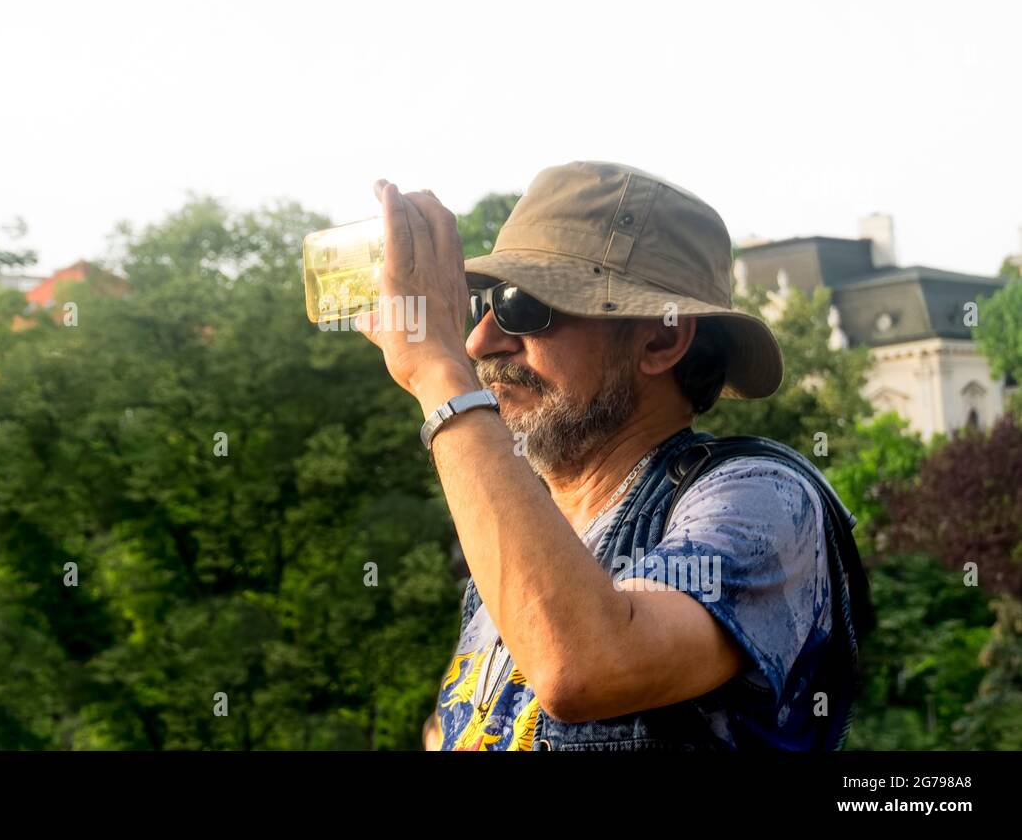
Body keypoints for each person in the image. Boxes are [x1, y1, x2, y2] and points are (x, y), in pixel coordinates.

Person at [354, 160, 871, 751]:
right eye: (481, 306)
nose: (479, 341)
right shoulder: (520, 530)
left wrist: (438, 373)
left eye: (523, 305)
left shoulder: (761, 499)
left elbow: (581, 665)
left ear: (660, 337)